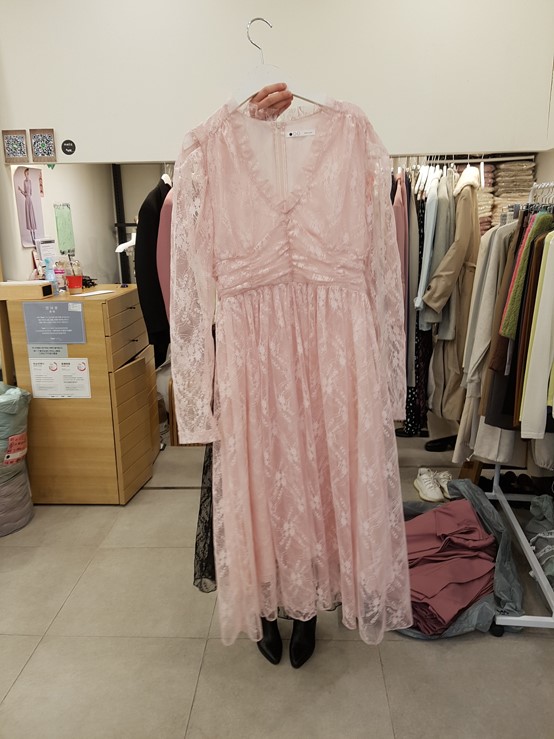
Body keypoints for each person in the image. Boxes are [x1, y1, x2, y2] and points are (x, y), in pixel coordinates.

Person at [18, 167, 37, 244]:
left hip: (30, 200)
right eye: (26, 173)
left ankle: (35, 237)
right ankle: (32, 238)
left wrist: (28, 194)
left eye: (27, 173)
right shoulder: (24, 182)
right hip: (26, 200)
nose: (27, 174)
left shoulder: (30, 181)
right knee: (28, 217)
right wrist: (21, 190)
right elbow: (25, 193)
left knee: (32, 216)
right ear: (25, 174)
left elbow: (30, 192)